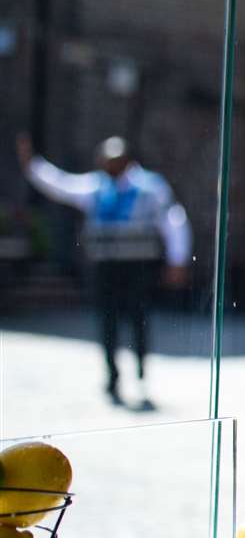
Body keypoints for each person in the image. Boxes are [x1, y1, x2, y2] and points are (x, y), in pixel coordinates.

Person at [16, 133, 191, 408]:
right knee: (107, 322)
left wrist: (177, 260)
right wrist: (32, 165)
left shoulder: (149, 188)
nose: (107, 165)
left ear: (125, 161)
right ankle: (112, 376)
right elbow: (63, 185)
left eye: (112, 161)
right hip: (106, 266)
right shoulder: (97, 187)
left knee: (137, 318)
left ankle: (141, 369)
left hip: (137, 266)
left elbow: (173, 221)